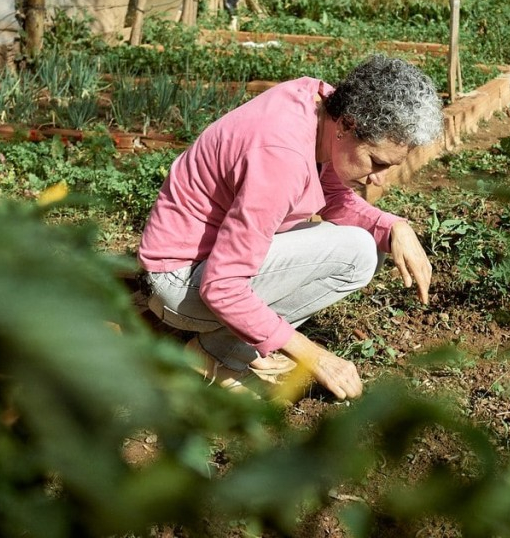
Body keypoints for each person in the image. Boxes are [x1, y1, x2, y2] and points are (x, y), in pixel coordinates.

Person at [138, 55, 444, 400]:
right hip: (180, 282)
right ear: (347, 125)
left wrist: (394, 226)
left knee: (369, 243)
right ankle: (217, 357)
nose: (379, 177)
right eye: (377, 162)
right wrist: (315, 356)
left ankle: (221, 349)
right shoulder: (281, 158)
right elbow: (222, 285)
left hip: (201, 261)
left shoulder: (317, 106)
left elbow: (334, 197)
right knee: (357, 253)